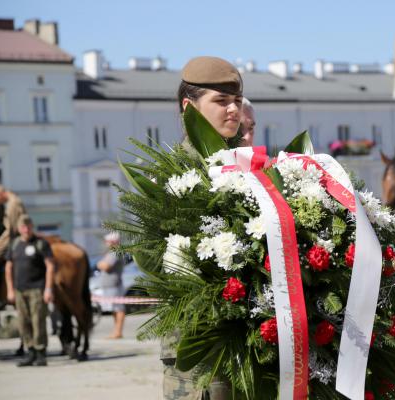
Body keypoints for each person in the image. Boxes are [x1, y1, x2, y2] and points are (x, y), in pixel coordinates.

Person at [164, 56, 242, 400]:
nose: (233, 110)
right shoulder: (170, 174)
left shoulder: (247, 166)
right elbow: (154, 261)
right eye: (221, 101)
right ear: (189, 107)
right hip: (200, 349)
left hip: (252, 341)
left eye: (237, 101)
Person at [4, 214, 54, 367]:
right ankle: (30, 351)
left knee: (38, 321)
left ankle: (40, 353)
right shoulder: (14, 244)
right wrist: (10, 290)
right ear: (19, 229)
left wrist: (48, 289)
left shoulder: (41, 244)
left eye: (28, 226)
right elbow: (8, 267)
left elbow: (50, 266)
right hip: (20, 290)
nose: (26, 229)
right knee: (23, 322)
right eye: (23, 227)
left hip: (37, 289)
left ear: (32, 227)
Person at [96, 232, 125, 339]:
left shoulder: (115, 253)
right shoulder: (110, 253)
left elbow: (106, 266)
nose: (106, 243)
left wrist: (100, 264)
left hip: (115, 285)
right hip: (110, 286)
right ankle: (116, 331)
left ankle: (118, 332)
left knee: (119, 309)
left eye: (107, 242)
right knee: (115, 309)